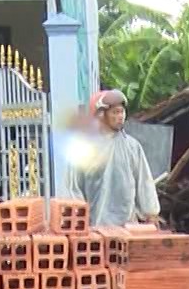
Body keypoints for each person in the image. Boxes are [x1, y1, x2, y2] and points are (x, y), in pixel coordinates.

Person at [64, 89, 161, 227]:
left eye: (122, 112)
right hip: (94, 229)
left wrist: (151, 214)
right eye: (115, 112)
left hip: (127, 229)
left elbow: (144, 183)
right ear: (101, 115)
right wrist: (79, 221)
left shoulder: (132, 147)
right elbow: (73, 189)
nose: (121, 116)